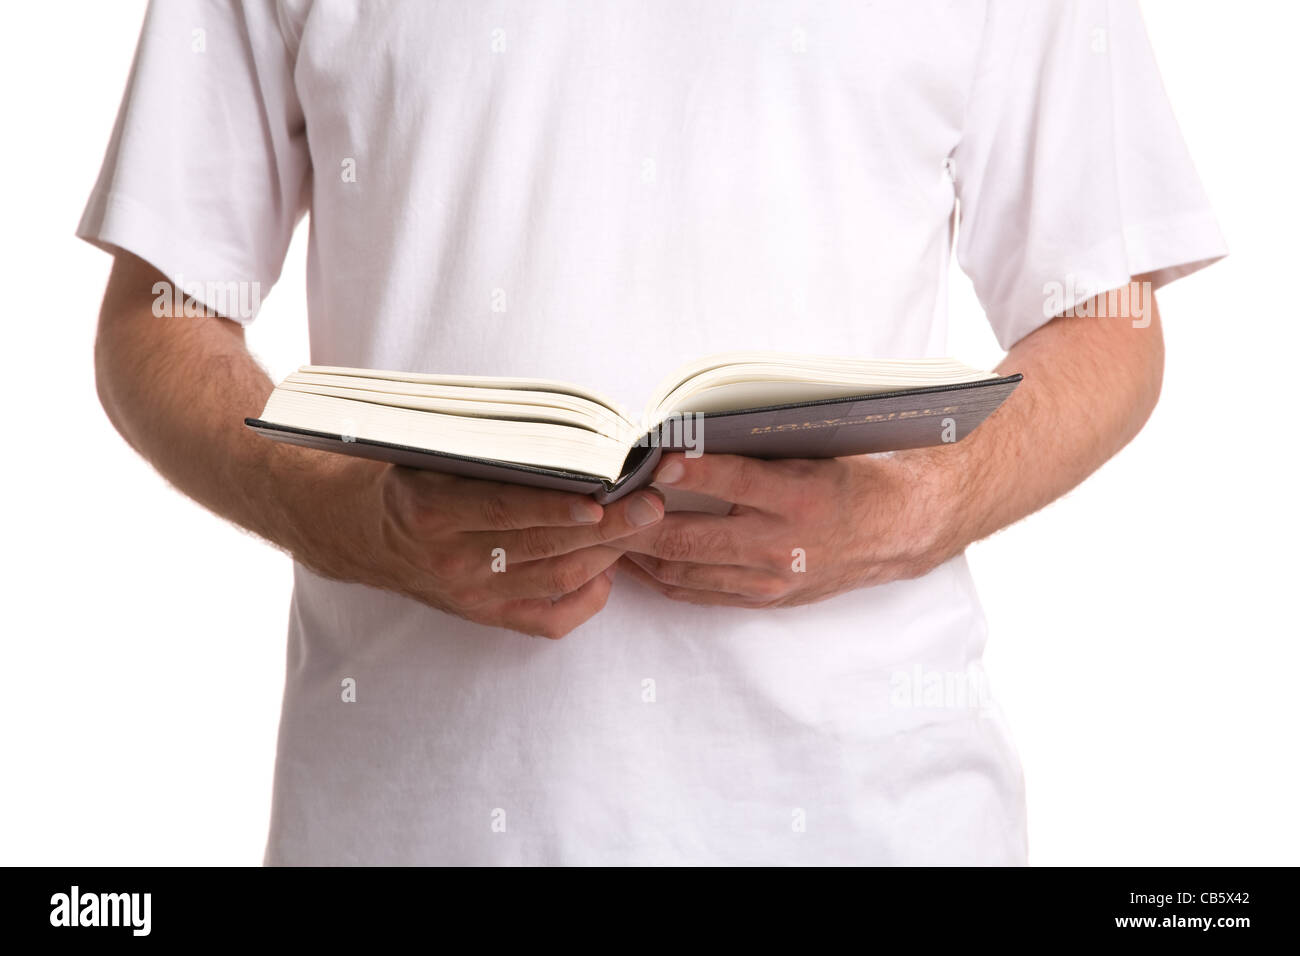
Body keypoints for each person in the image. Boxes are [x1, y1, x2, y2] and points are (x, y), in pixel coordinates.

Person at [82, 0, 1225, 865]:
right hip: (412, 822)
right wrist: (344, 519)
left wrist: (924, 503)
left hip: (876, 821)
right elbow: (160, 318)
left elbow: (1106, 317)